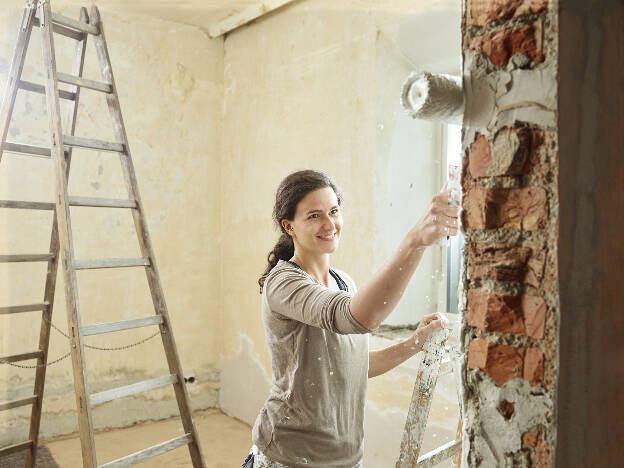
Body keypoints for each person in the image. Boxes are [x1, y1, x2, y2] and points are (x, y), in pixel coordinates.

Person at [247, 170, 458, 468]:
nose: (329, 224)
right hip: (289, 457)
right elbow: (357, 317)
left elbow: (355, 365)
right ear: (289, 226)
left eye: (334, 211)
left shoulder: (344, 282)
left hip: (345, 458)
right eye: (314, 216)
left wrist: (415, 343)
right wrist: (416, 241)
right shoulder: (283, 283)